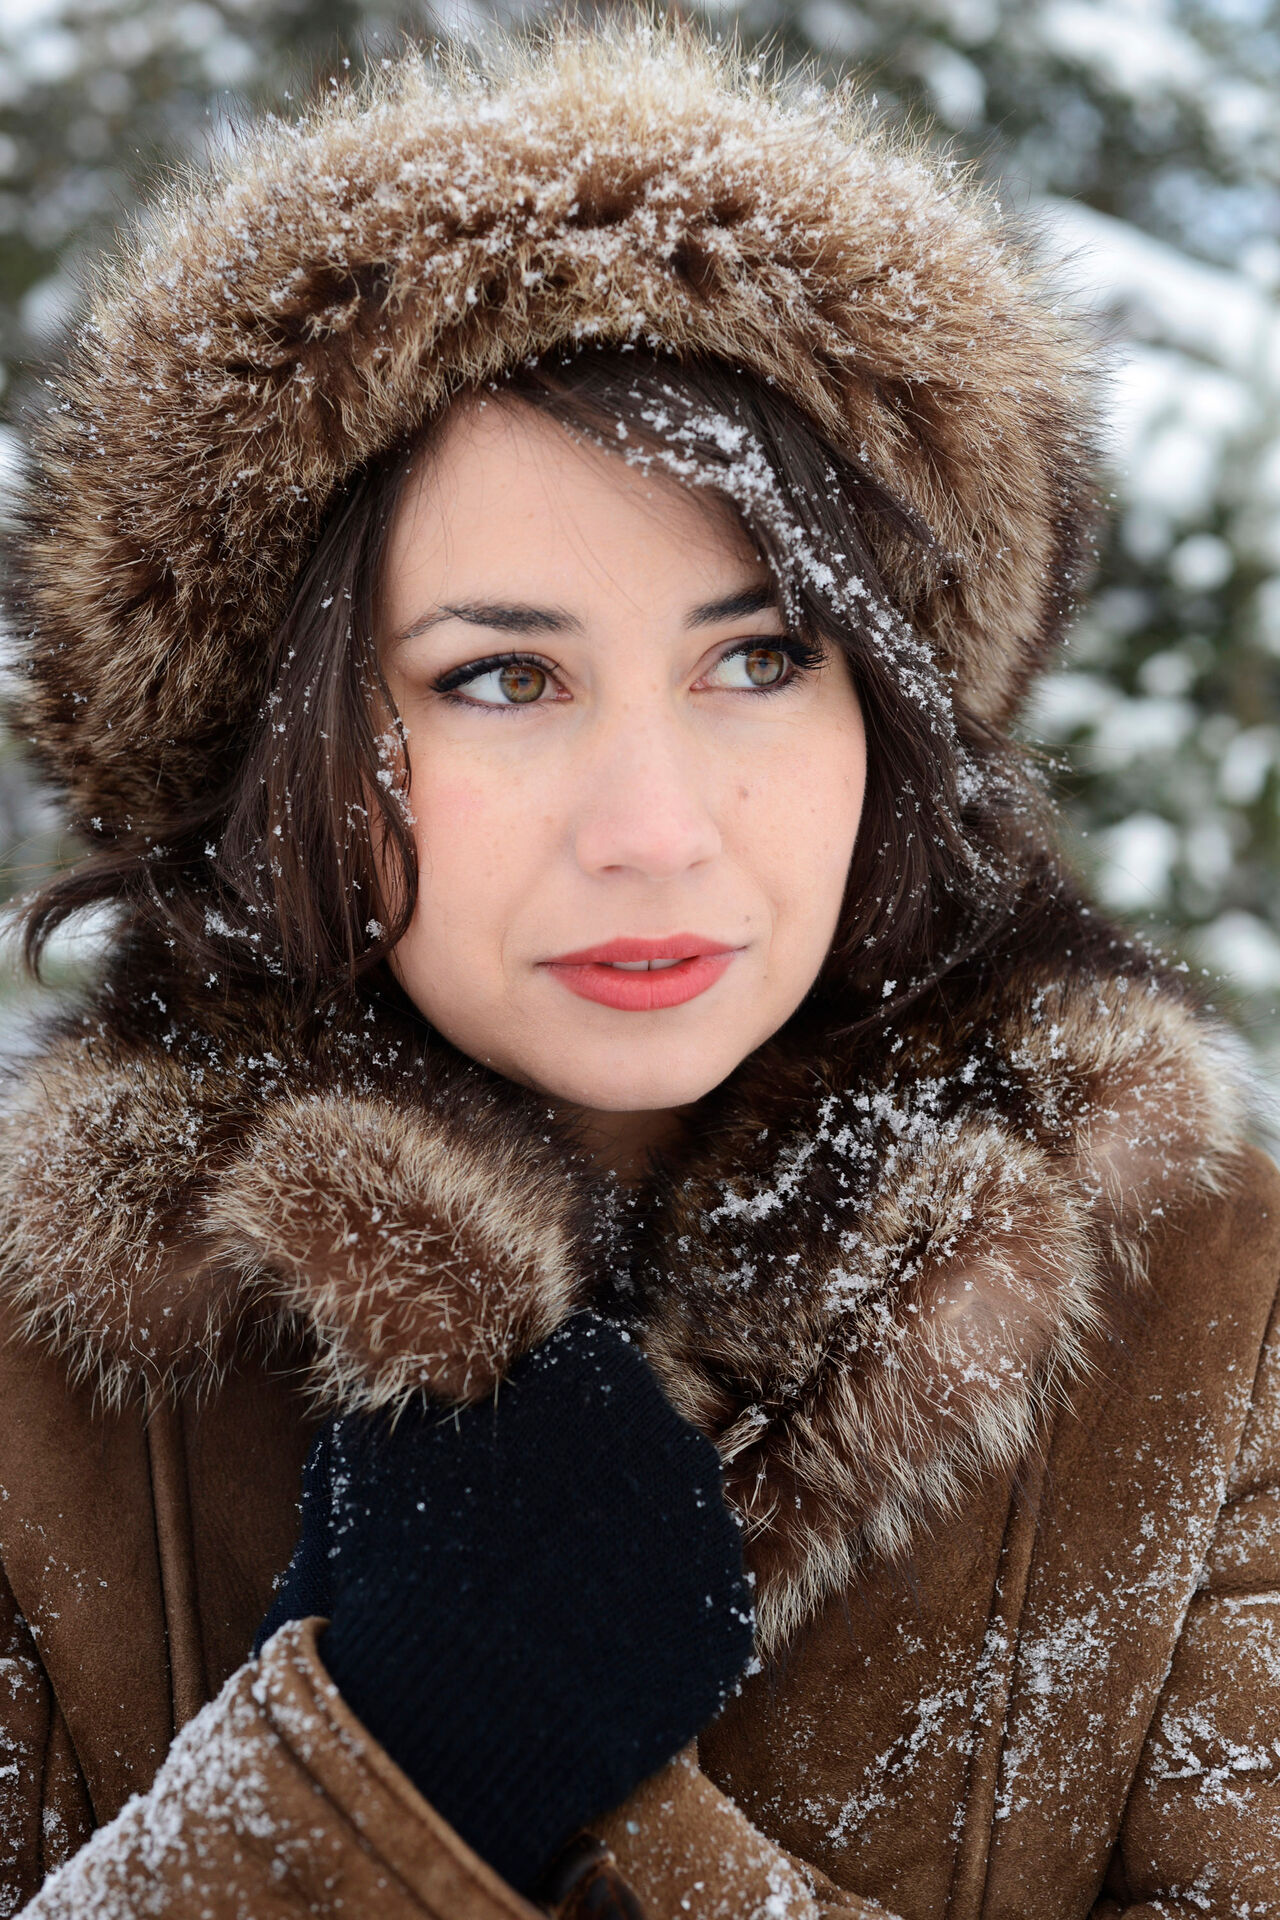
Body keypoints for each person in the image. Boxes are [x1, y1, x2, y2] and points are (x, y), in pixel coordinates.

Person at [1, 18, 1276, 1920]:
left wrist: (512, 1785)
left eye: (759, 658)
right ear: (285, 740)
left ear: (893, 712)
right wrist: (372, 1769)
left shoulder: (1208, 1306)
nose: (655, 829)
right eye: (502, 678)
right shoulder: (40, 1371)